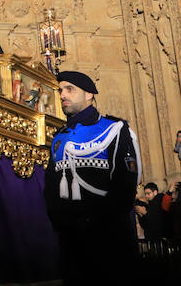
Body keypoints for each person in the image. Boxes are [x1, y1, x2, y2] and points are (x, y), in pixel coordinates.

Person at [43, 70, 141, 284]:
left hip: (109, 241)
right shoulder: (59, 136)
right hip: (70, 243)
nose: (62, 95)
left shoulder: (115, 129)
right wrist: (61, 222)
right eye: (60, 90)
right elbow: (50, 187)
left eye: (70, 89)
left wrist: (93, 221)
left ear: (89, 94)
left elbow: (124, 186)